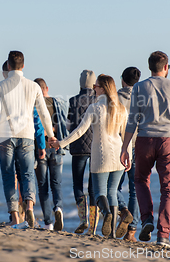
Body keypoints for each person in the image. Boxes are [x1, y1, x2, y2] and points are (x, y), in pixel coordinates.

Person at [120, 51, 170, 247]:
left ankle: (146, 219)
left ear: (150, 67)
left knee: (141, 180)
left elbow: (132, 119)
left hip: (144, 140)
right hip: (169, 140)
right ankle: (163, 236)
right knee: (168, 189)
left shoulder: (139, 87)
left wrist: (124, 148)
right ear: (166, 67)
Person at [0, 51, 56, 228]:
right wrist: (51, 136)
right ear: (23, 66)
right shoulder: (34, 87)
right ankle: (29, 206)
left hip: (5, 137)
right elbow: (43, 113)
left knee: (8, 175)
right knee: (28, 173)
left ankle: (14, 217)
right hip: (27, 136)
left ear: (8, 65)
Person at [51, 74, 130, 238]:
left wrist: (61, 143)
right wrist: (127, 154)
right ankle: (113, 234)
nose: (94, 89)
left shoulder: (94, 108)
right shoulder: (121, 108)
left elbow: (79, 131)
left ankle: (106, 213)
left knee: (100, 192)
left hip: (101, 155)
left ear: (102, 88)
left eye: (96, 86)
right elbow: (127, 135)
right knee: (112, 191)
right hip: (119, 155)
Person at [33, 78, 68, 231]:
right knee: (56, 183)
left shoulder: (33, 105)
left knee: (43, 186)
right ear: (46, 88)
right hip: (55, 147)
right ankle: (58, 208)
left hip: (39, 148)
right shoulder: (56, 103)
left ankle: (48, 222)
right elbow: (60, 125)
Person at [67, 70, 98, 234]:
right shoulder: (99, 100)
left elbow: (68, 125)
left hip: (78, 147)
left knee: (77, 184)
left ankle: (83, 219)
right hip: (95, 148)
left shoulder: (73, 101)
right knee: (93, 188)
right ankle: (92, 227)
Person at [116, 67, 141, 241]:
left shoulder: (115, 98)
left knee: (114, 187)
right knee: (135, 189)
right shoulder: (143, 98)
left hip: (119, 146)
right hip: (138, 146)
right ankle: (131, 232)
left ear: (122, 81)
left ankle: (124, 211)